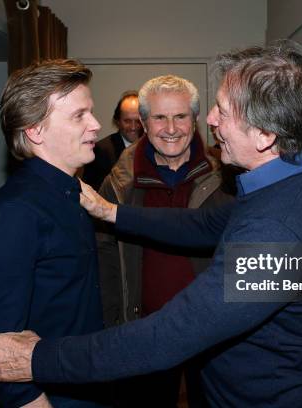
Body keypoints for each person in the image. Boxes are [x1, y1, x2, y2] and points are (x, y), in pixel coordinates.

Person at [0, 41, 302, 408]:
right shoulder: (299, 177)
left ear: (266, 134)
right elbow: (201, 225)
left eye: (222, 110)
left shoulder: (278, 229)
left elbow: (170, 335)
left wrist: (36, 360)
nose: (209, 120)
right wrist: (112, 212)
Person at [0, 59, 108, 407]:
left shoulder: (73, 194)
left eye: (90, 112)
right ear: (36, 131)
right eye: (79, 115)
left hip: (86, 383)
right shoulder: (15, 214)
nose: (95, 125)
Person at [97, 75, 233, 407]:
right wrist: (114, 324)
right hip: (145, 331)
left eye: (180, 116)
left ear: (195, 119)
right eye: (159, 117)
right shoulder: (117, 185)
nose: (170, 128)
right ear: (143, 122)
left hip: (213, 333)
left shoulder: (227, 176)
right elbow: (105, 258)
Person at [82, 90, 144, 190]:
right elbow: (92, 192)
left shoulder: (154, 146)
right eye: (127, 121)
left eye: (138, 121)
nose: (133, 127)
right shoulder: (100, 150)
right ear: (117, 121)